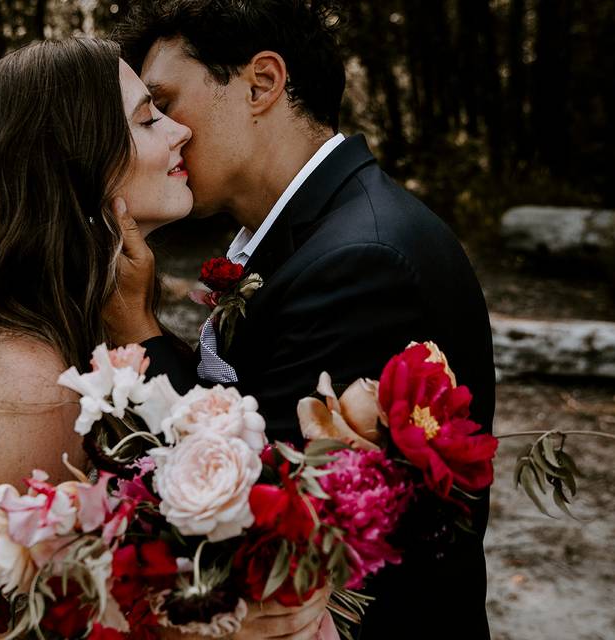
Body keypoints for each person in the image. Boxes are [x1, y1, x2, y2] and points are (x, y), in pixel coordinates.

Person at [0, 37, 327, 639]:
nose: (179, 131)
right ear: (77, 160)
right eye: (147, 118)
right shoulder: (24, 375)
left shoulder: (88, 323)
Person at [107, 2, 497, 638]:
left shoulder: (361, 261)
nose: (167, 133)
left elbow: (244, 513)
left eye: (164, 103)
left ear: (262, 83)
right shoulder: (314, 233)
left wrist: (136, 330)